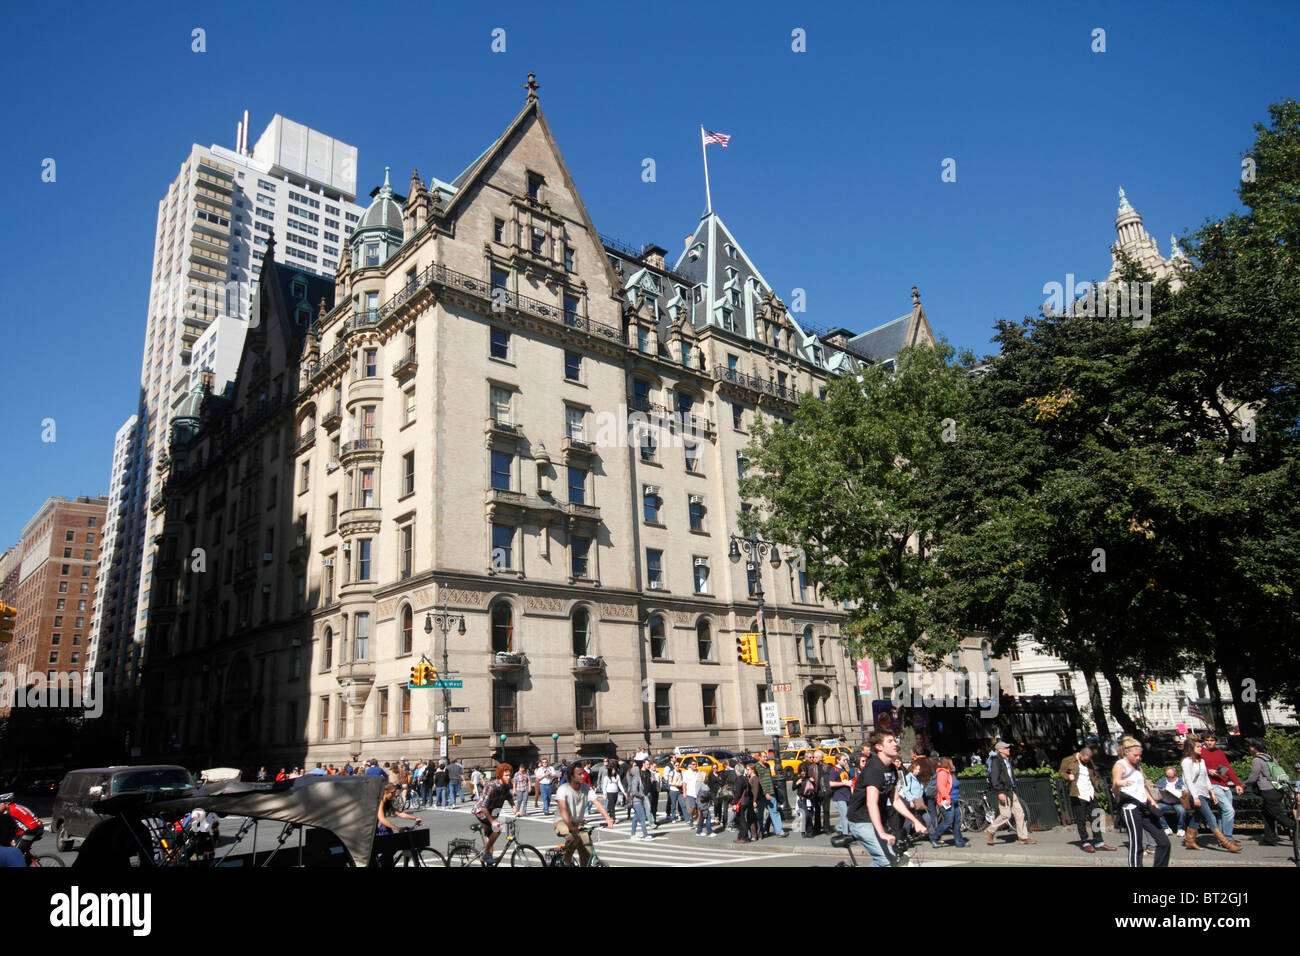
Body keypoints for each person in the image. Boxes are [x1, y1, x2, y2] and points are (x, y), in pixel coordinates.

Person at [846, 731, 928, 866]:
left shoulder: (891, 768)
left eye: (895, 740)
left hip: (876, 819)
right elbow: (871, 803)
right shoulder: (874, 768)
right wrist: (882, 833)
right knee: (884, 861)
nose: (895, 744)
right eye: (890, 741)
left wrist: (915, 821)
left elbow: (895, 800)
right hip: (862, 820)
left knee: (893, 859)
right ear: (879, 747)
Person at [1111, 737, 1170, 867]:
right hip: (1130, 807)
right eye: (1135, 755)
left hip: (1144, 806)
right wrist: (1118, 783)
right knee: (1136, 844)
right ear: (1126, 752)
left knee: (1164, 842)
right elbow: (1115, 789)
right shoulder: (1120, 765)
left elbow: (1142, 786)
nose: (1138, 758)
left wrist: (1151, 800)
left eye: (1140, 755)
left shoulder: (1137, 765)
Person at [1181, 738, 1240, 852]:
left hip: (1204, 793)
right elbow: (1188, 780)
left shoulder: (1201, 761)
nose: (1201, 748)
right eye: (1198, 747)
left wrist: (1212, 792)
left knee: (1198, 817)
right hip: (1195, 793)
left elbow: (1206, 778)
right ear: (1191, 748)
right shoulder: (1187, 761)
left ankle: (1190, 841)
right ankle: (1226, 843)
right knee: (1210, 817)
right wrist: (1195, 796)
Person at [554, 762, 615, 866]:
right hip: (562, 822)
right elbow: (563, 809)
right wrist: (570, 826)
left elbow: (597, 803)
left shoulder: (586, 787)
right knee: (573, 837)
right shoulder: (563, 789)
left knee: (587, 851)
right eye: (579, 774)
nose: (583, 775)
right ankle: (567, 862)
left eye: (583, 773)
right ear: (572, 776)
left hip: (579, 824)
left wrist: (608, 818)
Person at [1058, 746, 1116, 853]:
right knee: (1081, 819)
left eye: (1088, 760)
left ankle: (1099, 842)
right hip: (1078, 794)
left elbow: (1093, 775)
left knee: (1095, 817)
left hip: (1090, 793)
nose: (1087, 761)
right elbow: (1061, 772)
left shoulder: (1089, 762)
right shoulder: (1068, 760)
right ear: (1080, 755)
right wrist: (1068, 776)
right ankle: (1085, 841)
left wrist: (1097, 786)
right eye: (1085, 759)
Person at [1244, 738, 1295, 847]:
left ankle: (1297, 829)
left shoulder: (1256, 760)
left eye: (1250, 746)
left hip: (1268, 790)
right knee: (1267, 814)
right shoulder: (1271, 758)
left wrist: (1243, 785)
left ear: (1253, 747)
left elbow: (1253, 777)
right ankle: (1269, 838)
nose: (1249, 748)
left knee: (1279, 816)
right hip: (1278, 789)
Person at [985, 740, 1037, 845]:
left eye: (1008, 747)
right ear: (1000, 750)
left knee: (1019, 813)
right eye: (1006, 748)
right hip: (1003, 790)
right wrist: (1000, 792)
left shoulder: (1006, 760)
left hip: (1010, 790)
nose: (1008, 749)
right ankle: (990, 830)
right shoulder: (996, 761)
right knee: (1006, 815)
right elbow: (995, 778)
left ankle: (1023, 837)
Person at [1200, 733, 1243, 842]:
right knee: (1229, 811)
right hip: (1213, 785)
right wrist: (1208, 771)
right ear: (1204, 741)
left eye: (1212, 740)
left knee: (1222, 813)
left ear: (1215, 741)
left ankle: (1221, 839)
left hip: (1224, 784)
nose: (1209, 742)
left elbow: (1226, 768)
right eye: (1207, 740)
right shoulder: (1201, 752)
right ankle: (1228, 838)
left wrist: (1237, 783)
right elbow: (1197, 767)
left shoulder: (1219, 753)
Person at [472, 764, 517, 864]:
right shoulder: (491, 786)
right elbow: (483, 806)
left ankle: (488, 857)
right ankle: (486, 854)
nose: (508, 777)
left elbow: (509, 797)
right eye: (506, 775)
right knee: (498, 828)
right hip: (482, 812)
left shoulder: (506, 786)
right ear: (500, 775)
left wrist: (515, 810)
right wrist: (492, 822)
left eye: (509, 775)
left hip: (493, 812)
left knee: (491, 839)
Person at [374, 782, 420, 867]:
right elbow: (382, 819)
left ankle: (385, 863)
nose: (394, 795)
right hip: (371, 831)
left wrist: (415, 818)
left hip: (378, 829)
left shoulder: (387, 802)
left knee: (392, 847)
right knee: (389, 847)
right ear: (386, 792)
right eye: (393, 793)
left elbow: (399, 813)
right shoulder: (380, 801)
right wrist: (397, 828)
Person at [928, 757, 970, 848]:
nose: (953, 764)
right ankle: (934, 836)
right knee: (948, 820)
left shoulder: (950, 773)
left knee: (957, 821)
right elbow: (941, 787)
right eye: (951, 762)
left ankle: (959, 841)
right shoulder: (943, 773)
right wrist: (947, 798)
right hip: (946, 801)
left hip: (954, 800)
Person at [0, 793, 42, 861]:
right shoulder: (17, 806)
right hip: (35, 828)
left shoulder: (9, 811)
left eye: (0, 804)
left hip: (32, 830)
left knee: (16, 853)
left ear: (7, 803)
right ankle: (27, 860)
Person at [755, 757, 785, 837]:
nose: (766, 758)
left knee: (774, 812)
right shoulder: (757, 766)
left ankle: (779, 831)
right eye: (764, 757)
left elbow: (769, 778)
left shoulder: (768, 765)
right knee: (760, 814)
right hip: (762, 795)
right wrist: (765, 793)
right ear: (759, 758)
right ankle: (760, 831)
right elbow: (759, 781)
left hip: (771, 792)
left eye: (766, 756)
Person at [625, 758, 653, 840]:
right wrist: (642, 795)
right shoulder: (635, 779)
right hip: (637, 801)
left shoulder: (638, 779)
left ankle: (633, 834)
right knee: (642, 818)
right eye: (638, 770)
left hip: (639, 801)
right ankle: (645, 835)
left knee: (636, 818)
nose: (640, 771)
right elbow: (634, 792)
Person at [1155, 767, 1187, 836]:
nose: (1169, 778)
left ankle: (1181, 828)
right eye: (1167, 776)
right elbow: (1156, 790)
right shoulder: (1162, 781)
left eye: (1171, 777)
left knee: (1181, 810)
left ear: (1176, 775)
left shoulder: (1181, 781)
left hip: (1178, 802)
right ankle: (1165, 827)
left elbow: (1184, 793)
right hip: (1165, 802)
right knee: (1156, 808)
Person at [694, 770, 714, 837]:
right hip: (702, 803)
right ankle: (709, 831)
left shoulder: (705, 783)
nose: (707, 777)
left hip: (706, 802)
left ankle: (699, 831)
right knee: (708, 817)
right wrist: (705, 794)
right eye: (706, 776)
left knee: (702, 817)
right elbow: (697, 793)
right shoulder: (699, 783)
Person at [682, 759, 703, 823]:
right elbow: (684, 784)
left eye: (696, 764)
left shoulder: (699, 772)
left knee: (699, 809)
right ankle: (691, 816)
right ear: (690, 765)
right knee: (693, 807)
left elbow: (701, 782)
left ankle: (697, 822)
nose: (695, 766)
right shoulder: (686, 773)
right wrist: (684, 792)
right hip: (690, 793)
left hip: (698, 793)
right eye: (693, 764)